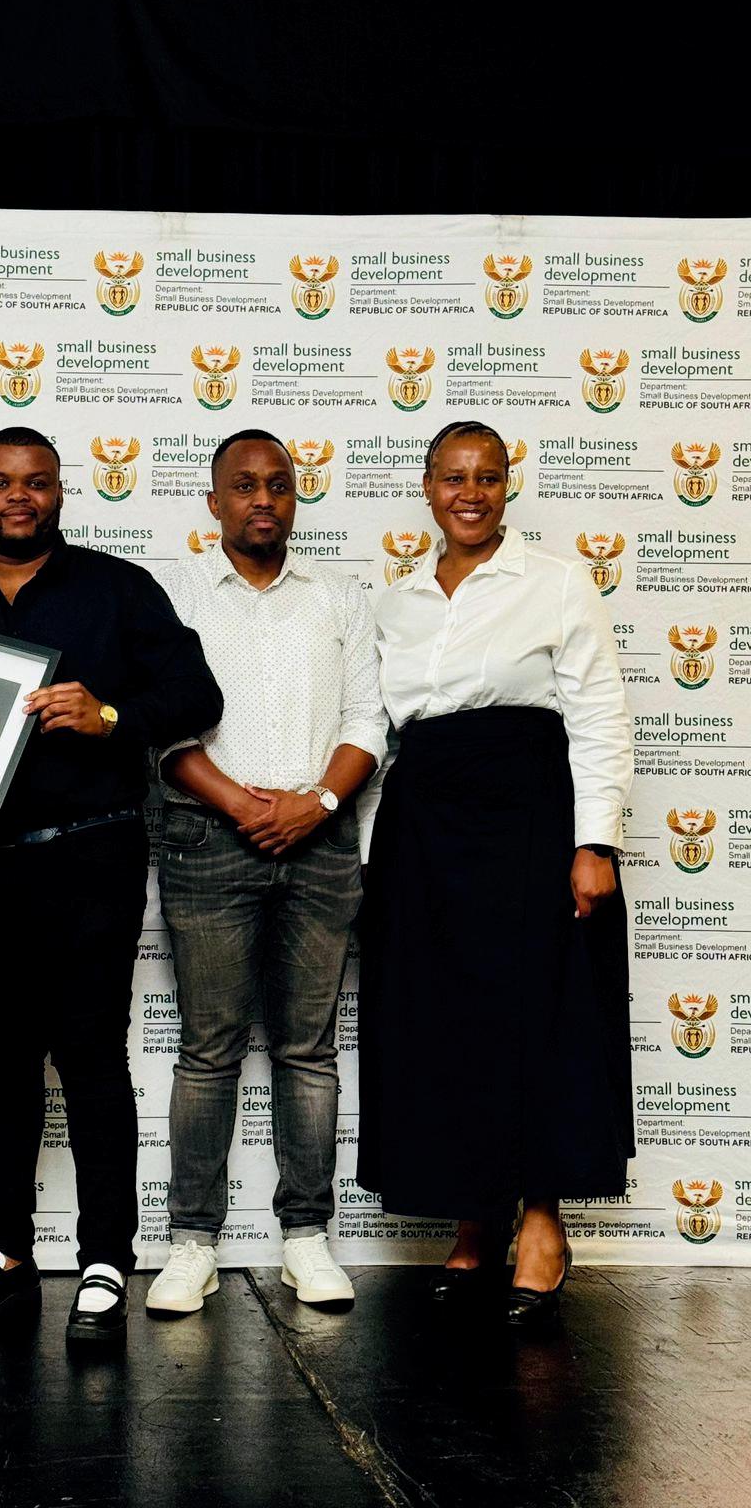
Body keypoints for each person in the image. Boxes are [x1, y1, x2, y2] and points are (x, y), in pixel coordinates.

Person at [0, 426, 222, 1344]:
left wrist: (110, 713)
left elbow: (197, 697)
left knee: (91, 1057)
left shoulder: (118, 590)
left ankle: (103, 1260)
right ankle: (3, 1252)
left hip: (90, 859)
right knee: (2, 1059)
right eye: (0, 482)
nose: (19, 496)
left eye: (36, 481)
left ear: (59, 492)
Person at [356, 420, 634, 1327]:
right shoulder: (394, 601)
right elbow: (381, 735)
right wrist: (371, 854)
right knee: (445, 1024)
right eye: (453, 477)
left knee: (538, 1018)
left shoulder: (555, 582)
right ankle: (475, 1219)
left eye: (487, 477)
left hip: (528, 816)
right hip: (424, 828)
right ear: (427, 487)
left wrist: (595, 843)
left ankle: (543, 1226)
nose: (470, 493)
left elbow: (599, 713)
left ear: (508, 486)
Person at [145, 429, 387, 1315]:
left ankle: (306, 1238)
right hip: (208, 840)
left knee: (307, 1049)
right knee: (208, 1049)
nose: (263, 500)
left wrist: (314, 803)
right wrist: (243, 807)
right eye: (243, 486)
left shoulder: (339, 596)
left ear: (295, 498)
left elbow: (367, 719)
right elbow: (159, 728)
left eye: (279, 485)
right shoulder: (174, 596)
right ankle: (192, 1244)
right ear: (213, 502)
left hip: (321, 843)